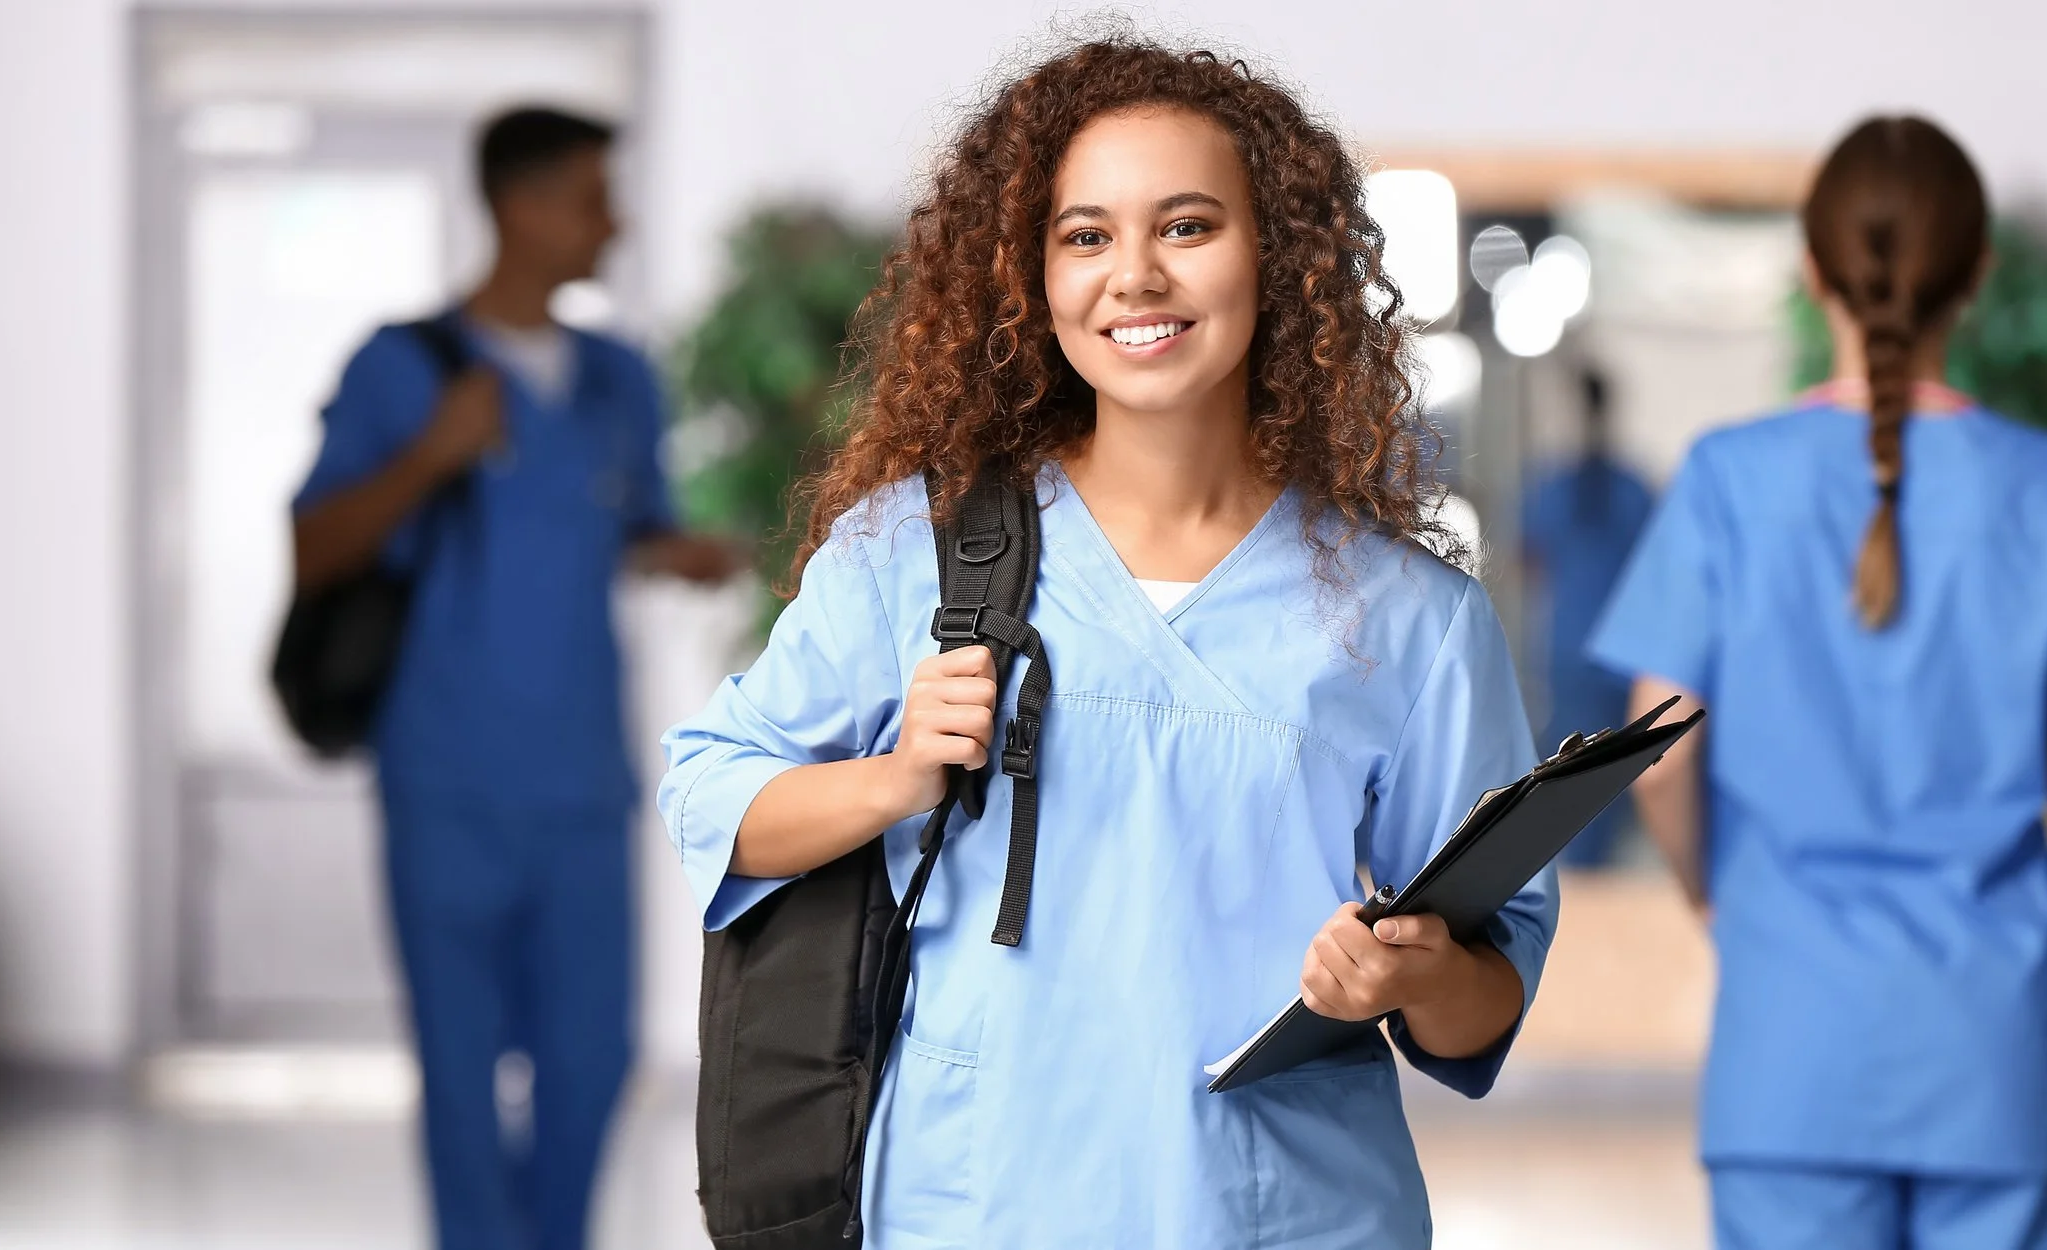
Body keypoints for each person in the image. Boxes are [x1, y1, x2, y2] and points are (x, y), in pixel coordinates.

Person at [657, 36, 1553, 1248]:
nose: (1133, 275)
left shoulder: (1408, 621)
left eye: (1186, 226)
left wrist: (1410, 976)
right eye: (1085, 236)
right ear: (1033, 276)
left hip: (1277, 1214)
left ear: (1275, 258)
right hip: (972, 1206)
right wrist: (897, 776)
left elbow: (1486, 989)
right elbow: (710, 791)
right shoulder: (911, 554)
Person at [1585, 116, 2047, 1250]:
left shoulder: (1727, 478)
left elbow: (1654, 747)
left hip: (1791, 1051)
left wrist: (1715, 891)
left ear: (1810, 269)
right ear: (1978, 278)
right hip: (2004, 1053)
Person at [290, 106, 739, 1249]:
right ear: (520, 205)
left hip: (581, 787)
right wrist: (431, 453)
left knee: (594, 1059)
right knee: (459, 1070)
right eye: (593, 197)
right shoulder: (404, 368)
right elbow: (315, 545)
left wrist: (674, 551)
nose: (613, 222)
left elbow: (617, 526)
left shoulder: (617, 379)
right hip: (446, 778)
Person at [1521, 369, 1653, 866]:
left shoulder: (1551, 490)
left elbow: (1531, 564)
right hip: (1617, 652)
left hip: (1569, 651)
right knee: (1610, 778)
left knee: (1568, 773)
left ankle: (1573, 877)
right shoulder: (1633, 491)